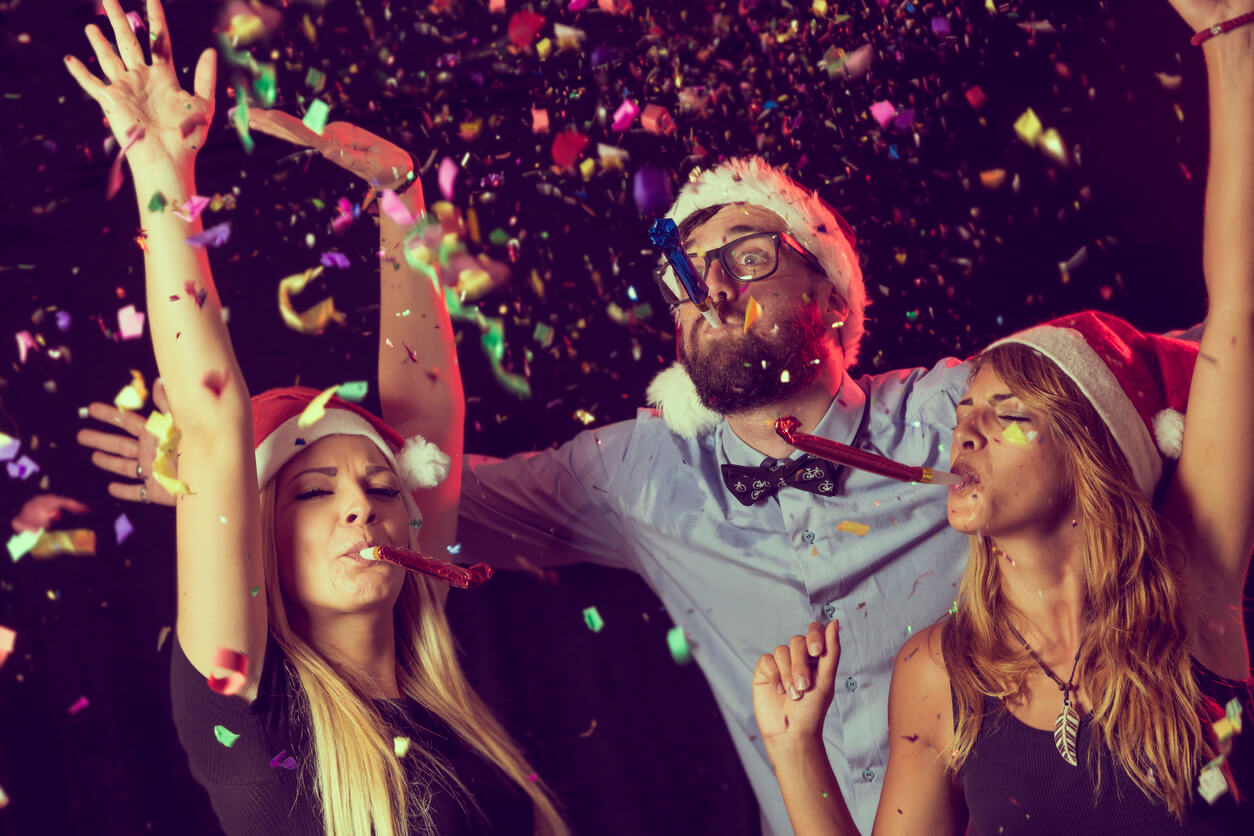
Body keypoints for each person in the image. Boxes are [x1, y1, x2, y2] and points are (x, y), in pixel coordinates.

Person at [74, 10, 1209, 836]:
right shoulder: (633, 475)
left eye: (748, 255)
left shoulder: (974, 414)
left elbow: (1187, 374)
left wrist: (401, 201)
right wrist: (221, 494)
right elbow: (427, 469)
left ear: (830, 290)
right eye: (685, 264)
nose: (711, 285)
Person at [63, 2, 566, 834]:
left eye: (375, 485)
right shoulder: (247, 721)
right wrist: (162, 177)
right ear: (254, 534)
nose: (361, 505)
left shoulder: (440, 697)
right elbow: (217, 425)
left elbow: (425, 418)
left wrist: (400, 199)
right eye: (311, 493)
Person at [751, 1, 1254, 832]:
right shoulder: (939, 675)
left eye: (1010, 412)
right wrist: (794, 750)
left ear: (1096, 457)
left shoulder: (1188, 592)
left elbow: (1237, 313)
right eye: (969, 411)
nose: (968, 432)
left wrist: (1232, 41)